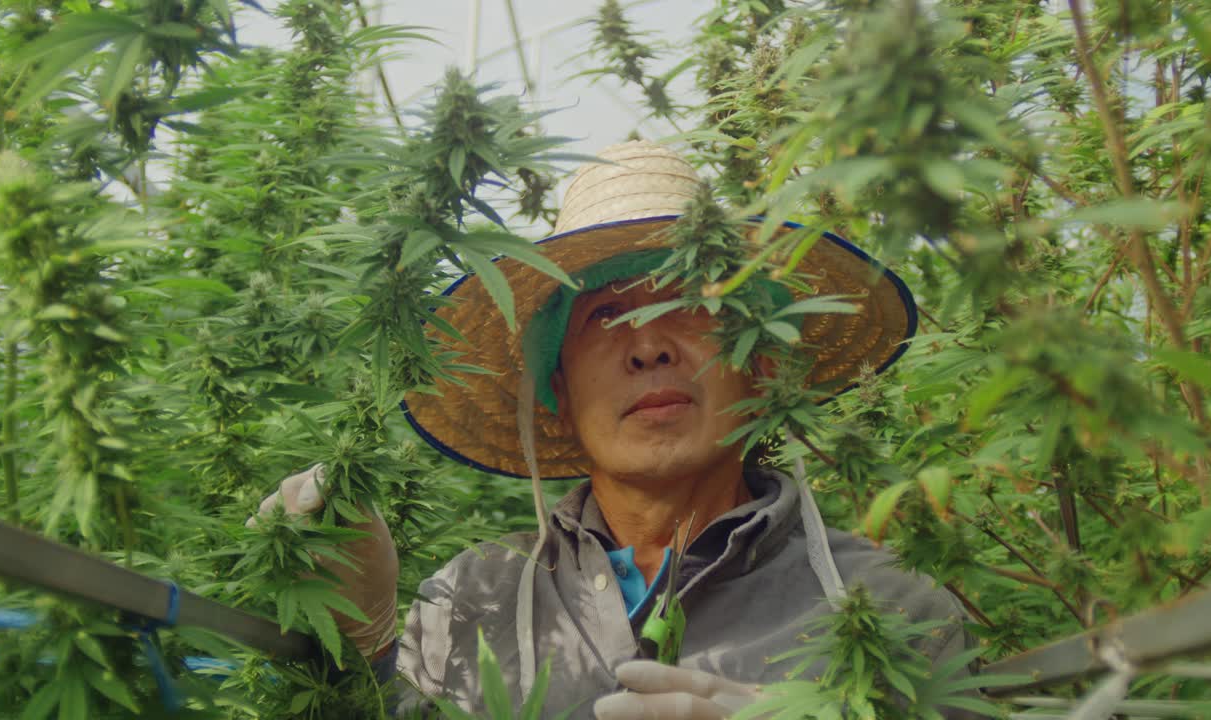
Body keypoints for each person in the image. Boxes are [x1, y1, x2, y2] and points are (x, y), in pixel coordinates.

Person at [251, 142, 971, 718]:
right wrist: (362, 642)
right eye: (603, 315)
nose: (648, 345)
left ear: (760, 360)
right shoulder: (472, 599)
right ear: (557, 389)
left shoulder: (892, 607)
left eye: (691, 302)